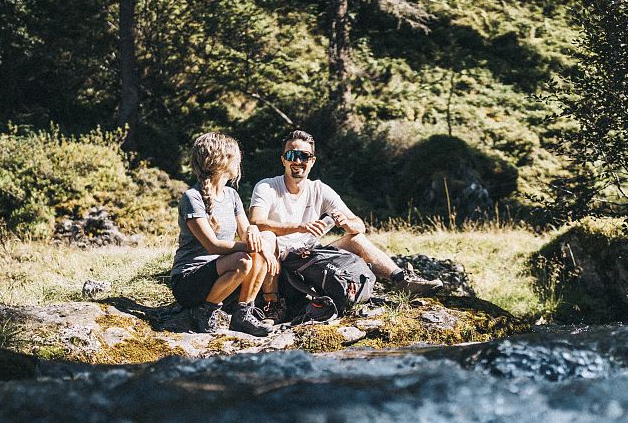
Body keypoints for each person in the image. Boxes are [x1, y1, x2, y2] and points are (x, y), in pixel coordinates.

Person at [248, 129, 444, 311]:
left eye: (304, 156)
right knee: (266, 236)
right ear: (283, 160)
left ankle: (403, 279)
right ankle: (272, 303)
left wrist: (347, 224)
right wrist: (299, 227)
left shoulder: (320, 189)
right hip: (278, 259)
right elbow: (256, 221)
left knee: (356, 239)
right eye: (292, 155)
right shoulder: (267, 186)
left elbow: (360, 225)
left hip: (310, 256)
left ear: (312, 161)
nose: (297, 161)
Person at [169, 132, 277, 337]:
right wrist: (257, 247)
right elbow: (213, 246)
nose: (239, 162)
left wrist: (255, 233)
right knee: (244, 260)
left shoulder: (232, 195)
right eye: (236, 157)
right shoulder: (192, 198)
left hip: (223, 277)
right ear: (221, 161)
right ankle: (204, 311)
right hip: (188, 282)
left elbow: (246, 233)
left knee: (267, 238)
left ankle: (243, 314)